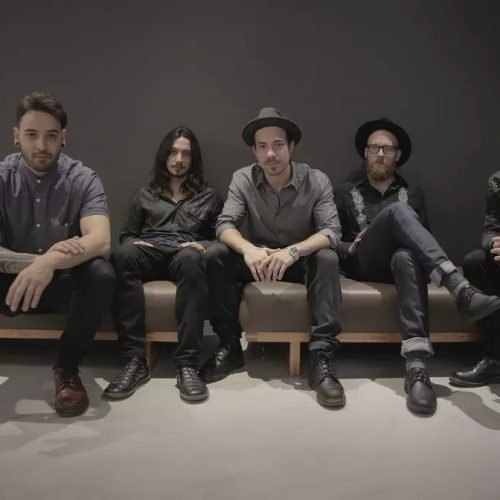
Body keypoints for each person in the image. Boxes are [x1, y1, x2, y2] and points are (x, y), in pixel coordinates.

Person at [334, 117, 500, 415]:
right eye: (374, 148)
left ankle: (417, 367)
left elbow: (423, 240)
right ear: (365, 153)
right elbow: (330, 238)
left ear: (397, 155)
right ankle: (458, 288)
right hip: (363, 262)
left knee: (406, 256)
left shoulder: (413, 193)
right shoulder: (345, 192)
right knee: (398, 212)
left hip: (401, 265)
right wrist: (350, 246)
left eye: (387, 149)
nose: (380, 154)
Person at [202, 107, 345, 408]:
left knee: (327, 258)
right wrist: (248, 249)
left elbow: (332, 231)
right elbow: (224, 224)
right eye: (263, 146)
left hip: (298, 259)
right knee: (216, 254)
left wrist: (294, 251)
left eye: (278, 145)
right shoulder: (242, 178)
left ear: (291, 147)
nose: (271, 154)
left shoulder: (316, 180)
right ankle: (229, 346)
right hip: (260, 258)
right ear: (254, 151)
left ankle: (321, 358)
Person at [0, 92, 115, 417]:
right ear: (16, 136)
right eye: (31, 135)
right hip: (11, 284)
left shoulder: (83, 178)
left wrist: (51, 262)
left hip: (64, 283)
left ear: (63, 137)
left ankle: (67, 368)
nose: (41, 145)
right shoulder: (2, 177)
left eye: (51, 136)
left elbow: (101, 241)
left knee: (101, 273)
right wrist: (36, 264)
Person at [106, 127, 223, 403]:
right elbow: (127, 234)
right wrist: (134, 243)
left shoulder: (209, 195)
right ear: (164, 155)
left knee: (192, 258)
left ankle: (187, 364)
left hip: (185, 252)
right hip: (151, 250)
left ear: (193, 159)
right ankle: (135, 361)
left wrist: (204, 245)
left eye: (186, 154)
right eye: (173, 152)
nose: (179, 159)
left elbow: (221, 236)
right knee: (122, 254)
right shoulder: (144, 193)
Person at [450, 171, 500, 387]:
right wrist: (494, 244)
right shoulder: (497, 181)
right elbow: (491, 229)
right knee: (474, 262)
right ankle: (495, 357)